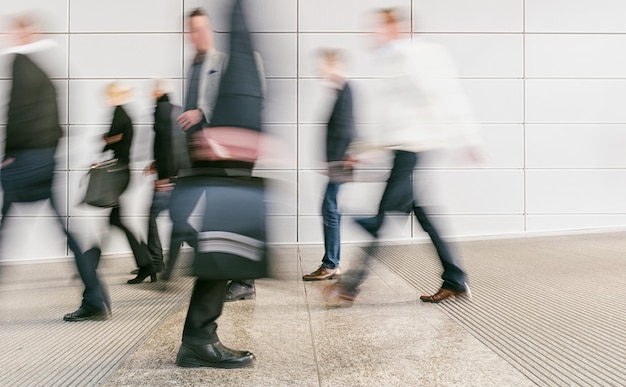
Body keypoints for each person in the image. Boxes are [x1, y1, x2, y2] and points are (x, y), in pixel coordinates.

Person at [327, 8, 482, 304]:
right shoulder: (390, 60)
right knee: (423, 216)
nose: (374, 34)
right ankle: (455, 278)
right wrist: (365, 149)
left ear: (399, 28)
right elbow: (390, 116)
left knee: (382, 216)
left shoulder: (423, 55)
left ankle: (349, 287)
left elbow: (448, 96)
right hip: (403, 148)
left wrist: (469, 137)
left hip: (417, 147)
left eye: (380, 28)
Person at [172, 0, 265, 369]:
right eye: (193, 29)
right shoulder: (192, 66)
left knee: (222, 234)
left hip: (224, 155)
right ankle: (198, 337)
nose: (199, 36)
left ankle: (199, 335)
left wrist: (218, 124)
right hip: (208, 160)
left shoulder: (219, 60)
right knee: (219, 235)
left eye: (203, 29)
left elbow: (240, 88)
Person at [0, 15, 110, 321]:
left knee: (4, 230)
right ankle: (95, 296)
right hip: (45, 157)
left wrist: (9, 154)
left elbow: (17, 112)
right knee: (62, 230)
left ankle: (95, 297)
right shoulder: (47, 68)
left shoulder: (21, 63)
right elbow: (58, 118)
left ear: (28, 34)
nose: (12, 36)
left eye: (18, 31)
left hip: (24, 159)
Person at [303, 49, 355, 281]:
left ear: (332, 64)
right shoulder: (339, 90)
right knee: (330, 208)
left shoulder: (345, 90)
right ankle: (332, 262)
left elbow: (346, 128)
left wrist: (339, 160)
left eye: (322, 64)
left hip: (341, 163)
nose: (319, 69)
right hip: (338, 163)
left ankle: (331, 264)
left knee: (330, 209)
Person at [102, 82, 155, 284]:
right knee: (114, 220)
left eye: (110, 95)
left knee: (116, 221)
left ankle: (147, 264)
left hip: (118, 174)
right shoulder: (123, 113)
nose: (107, 99)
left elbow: (116, 138)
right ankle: (147, 264)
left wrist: (105, 139)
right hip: (121, 172)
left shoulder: (119, 113)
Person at [143, 80, 179, 275]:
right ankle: (208, 253)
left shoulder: (161, 110)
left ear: (160, 92)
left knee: (150, 218)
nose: (151, 92)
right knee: (179, 221)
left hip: (168, 179)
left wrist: (164, 177)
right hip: (178, 176)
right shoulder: (176, 110)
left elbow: (166, 144)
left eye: (154, 89)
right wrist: (156, 164)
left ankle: (157, 263)